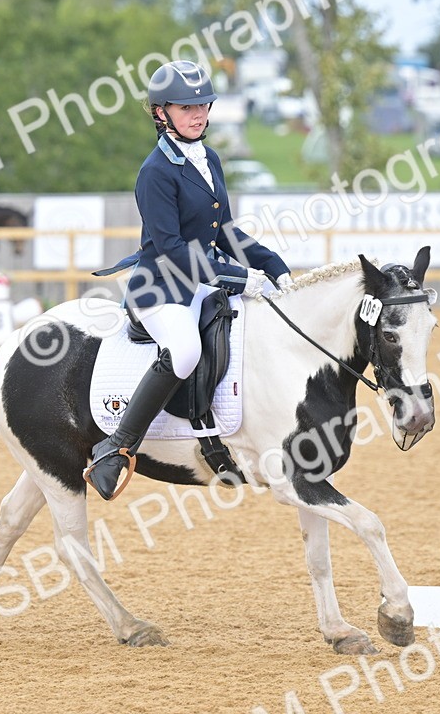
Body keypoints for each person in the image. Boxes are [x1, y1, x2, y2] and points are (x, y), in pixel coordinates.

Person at [83, 59, 292, 501]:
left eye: (204, 105)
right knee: (184, 351)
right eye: (185, 107)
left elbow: (227, 232)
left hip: (201, 283)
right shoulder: (154, 173)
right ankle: (116, 447)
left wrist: (274, 265)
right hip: (160, 288)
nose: (198, 114)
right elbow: (174, 250)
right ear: (161, 113)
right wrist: (238, 279)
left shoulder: (208, 157)